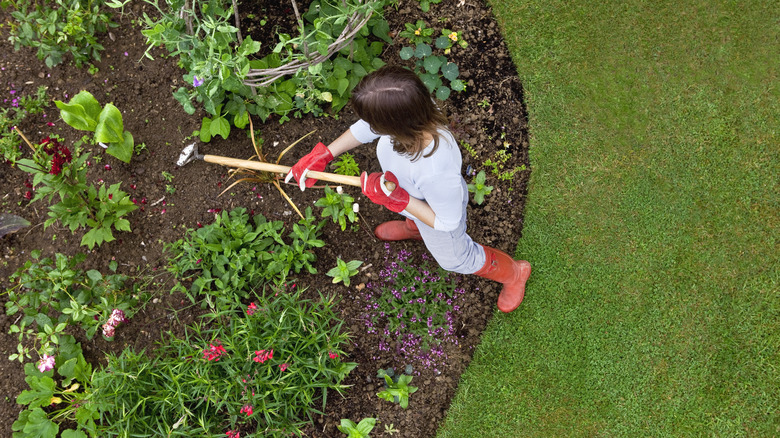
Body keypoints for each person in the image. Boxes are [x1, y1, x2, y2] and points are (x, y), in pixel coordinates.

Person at [285, 66, 531, 313]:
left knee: (457, 260)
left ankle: (514, 274)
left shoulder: (435, 170)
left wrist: (398, 200)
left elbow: (447, 222)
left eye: (374, 122)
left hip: (438, 215)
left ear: (394, 125)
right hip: (416, 198)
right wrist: (326, 154)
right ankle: (415, 228)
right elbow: (366, 128)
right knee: (416, 214)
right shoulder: (413, 108)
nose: (369, 126)